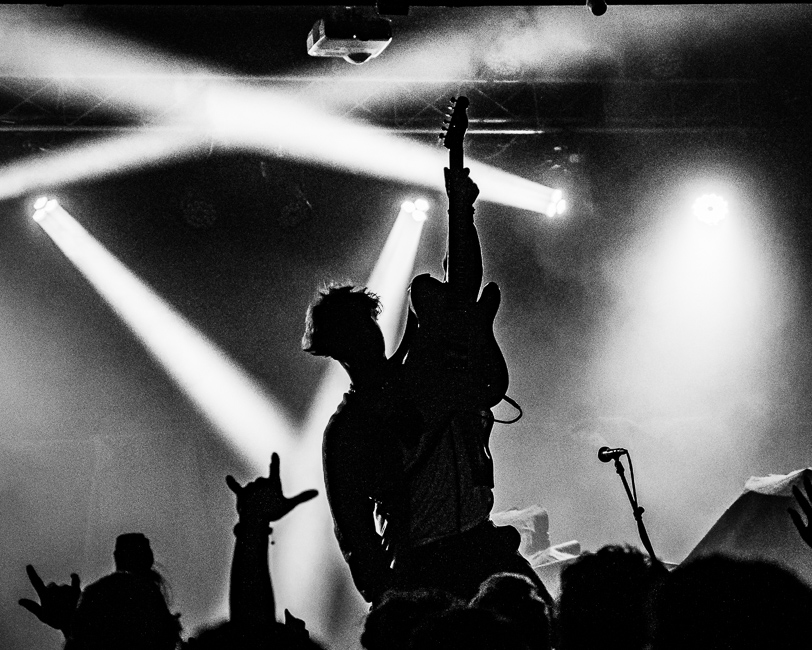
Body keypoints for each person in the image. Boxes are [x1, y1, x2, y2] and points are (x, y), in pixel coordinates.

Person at [302, 166, 551, 606]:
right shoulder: (348, 429)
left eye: (367, 324)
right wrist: (383, 595)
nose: (365, 336)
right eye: (352, 331)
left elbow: (463, 291)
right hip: (425, 564)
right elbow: (353, 526)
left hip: (481, 542)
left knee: (546, 623)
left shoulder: (422, 367)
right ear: (334, 349)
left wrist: (462, 209)